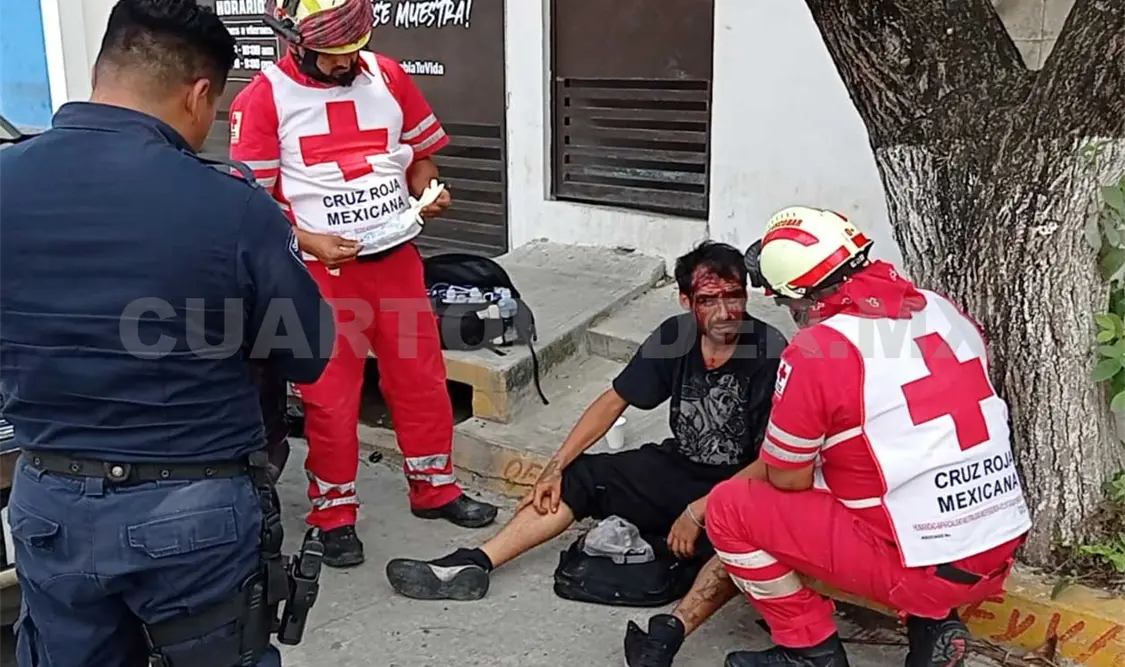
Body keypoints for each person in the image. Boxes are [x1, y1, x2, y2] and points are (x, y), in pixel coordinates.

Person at [0, 1, 334, 666]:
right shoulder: (233, 205)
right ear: (199, 92)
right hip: (194, 508)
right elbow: (308, 353)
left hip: (49, 501)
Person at [385, 242, 788, 666]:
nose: (725, 312)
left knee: (745, 537)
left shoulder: (769, 350)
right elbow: (613, 401)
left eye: (734, 296)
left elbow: (775, 462)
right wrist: (554, 468)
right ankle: (474, 564)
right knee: (582, 475)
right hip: (680, 466)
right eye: (709, 300)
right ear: (687, 300)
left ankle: (667, 634)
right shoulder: (677, 335)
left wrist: (698, 511)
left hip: (743, 484)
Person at [229, 0, 497, 568]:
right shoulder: (263, 98)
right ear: (295, 42)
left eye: (355, 50)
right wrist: (309, 242)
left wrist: (430, 190)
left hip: (397, 259)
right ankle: (334, 514)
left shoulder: (388, 75)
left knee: (421, 379)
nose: (346, 64)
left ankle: (435, 488)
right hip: (322, 276)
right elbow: (251, 206)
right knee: (329, 398)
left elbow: (420, 158)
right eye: (333, 56)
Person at [703, 206, 1032, 667]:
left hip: (924, 569)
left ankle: (809, 651)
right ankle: (932, 624)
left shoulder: (819, 348)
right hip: (999, 543)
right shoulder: (939, 307)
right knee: (889, 470)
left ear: (802, 298)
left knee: (730, 507)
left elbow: (788, 479)